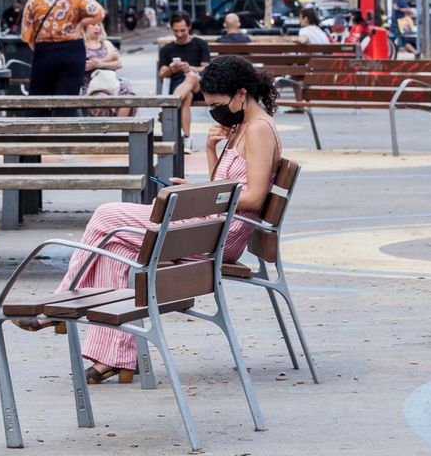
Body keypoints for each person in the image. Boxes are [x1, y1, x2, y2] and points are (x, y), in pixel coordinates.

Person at [15, 55, 282, 383]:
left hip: (218, 235)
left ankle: (57, 304)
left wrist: (200, 198)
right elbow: (228, 186)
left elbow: (254, 196)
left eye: (217, 104)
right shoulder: (242, 126)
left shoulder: (258, 130)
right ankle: (115, 359)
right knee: (119, 249)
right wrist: (209, 160)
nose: (215, 110)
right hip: (210, 229)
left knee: (106, 216)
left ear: (241, 94)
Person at [21, 0, 104, 117]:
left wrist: (39, 47)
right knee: (67, 101)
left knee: (38, 101)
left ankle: (36, 139)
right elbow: (99, 13)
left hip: (44, 52)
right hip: (72, 52)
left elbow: (26, 32)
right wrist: (81, 24)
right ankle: (63, 138)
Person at [157, 12, 211, 147]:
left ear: (189, 27)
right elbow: (162, 75)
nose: (179, 34)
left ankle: (168, 109)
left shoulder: (200, 44)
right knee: (187, 97)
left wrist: (189, 68)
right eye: (176, 31)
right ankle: (187, 138)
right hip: (178, 86)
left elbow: (207, 68)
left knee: (191, 76)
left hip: (198, 85)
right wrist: (171, 69)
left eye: (183, 30)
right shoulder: (166, 49)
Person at [83, 20, 134, 117]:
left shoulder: (106, 43)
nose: (97, 27)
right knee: (102, 98)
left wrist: (98, 64)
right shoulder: (82, 45)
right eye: (93, 25)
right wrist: (108, 59)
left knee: (128, 96)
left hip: (111, 82)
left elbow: (118, 64)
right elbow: (86, 66)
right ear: (85, 27)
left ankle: (119, 127)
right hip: (92, 85)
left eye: (99, 24)